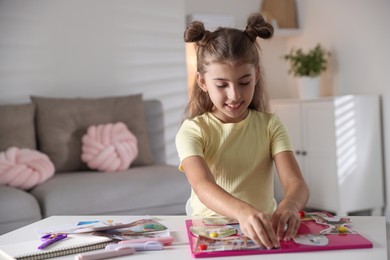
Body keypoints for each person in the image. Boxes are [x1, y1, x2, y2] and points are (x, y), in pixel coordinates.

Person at [175, 13, 309, 249]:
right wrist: (243, 212)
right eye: (222, 85)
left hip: (264, 229)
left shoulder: (270, 125)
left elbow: (296, 183)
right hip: (210, 231)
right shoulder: (192, 130)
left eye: (244, 82)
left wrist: (289, 205)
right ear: (202, 82)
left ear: (257, 75)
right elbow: (202, 185)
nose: (235, 95)